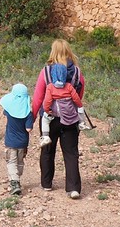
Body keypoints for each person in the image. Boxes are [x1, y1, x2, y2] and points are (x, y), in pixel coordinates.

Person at [32, 39, 86, 199]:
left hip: (49, 117)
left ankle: (46, 183)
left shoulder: (46, 72)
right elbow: (80, 94)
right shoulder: (77, 72)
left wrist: (33, 116)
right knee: (70, 152)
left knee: (48, 150)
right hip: (70, 118)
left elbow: (38, 97)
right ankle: (73, 187)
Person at [38, 63, 90, 146]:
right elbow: (76, 98)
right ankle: (82, 123)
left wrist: (47, 110)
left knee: (45, 120)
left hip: (55, 113)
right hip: (68, 113)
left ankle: (45, 136)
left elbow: (47, 101)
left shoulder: (50, 87)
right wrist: (79, 106)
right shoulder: (69, 86)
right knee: (80, 110)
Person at [0, 83, 34, 196]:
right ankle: (17, 178)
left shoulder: (9, 110)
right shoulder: (28, 113)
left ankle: (15, 182)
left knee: (11, 162)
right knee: (20, 161)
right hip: (23, 143)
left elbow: (4, 111)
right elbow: (28, 129)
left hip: (10, 142)